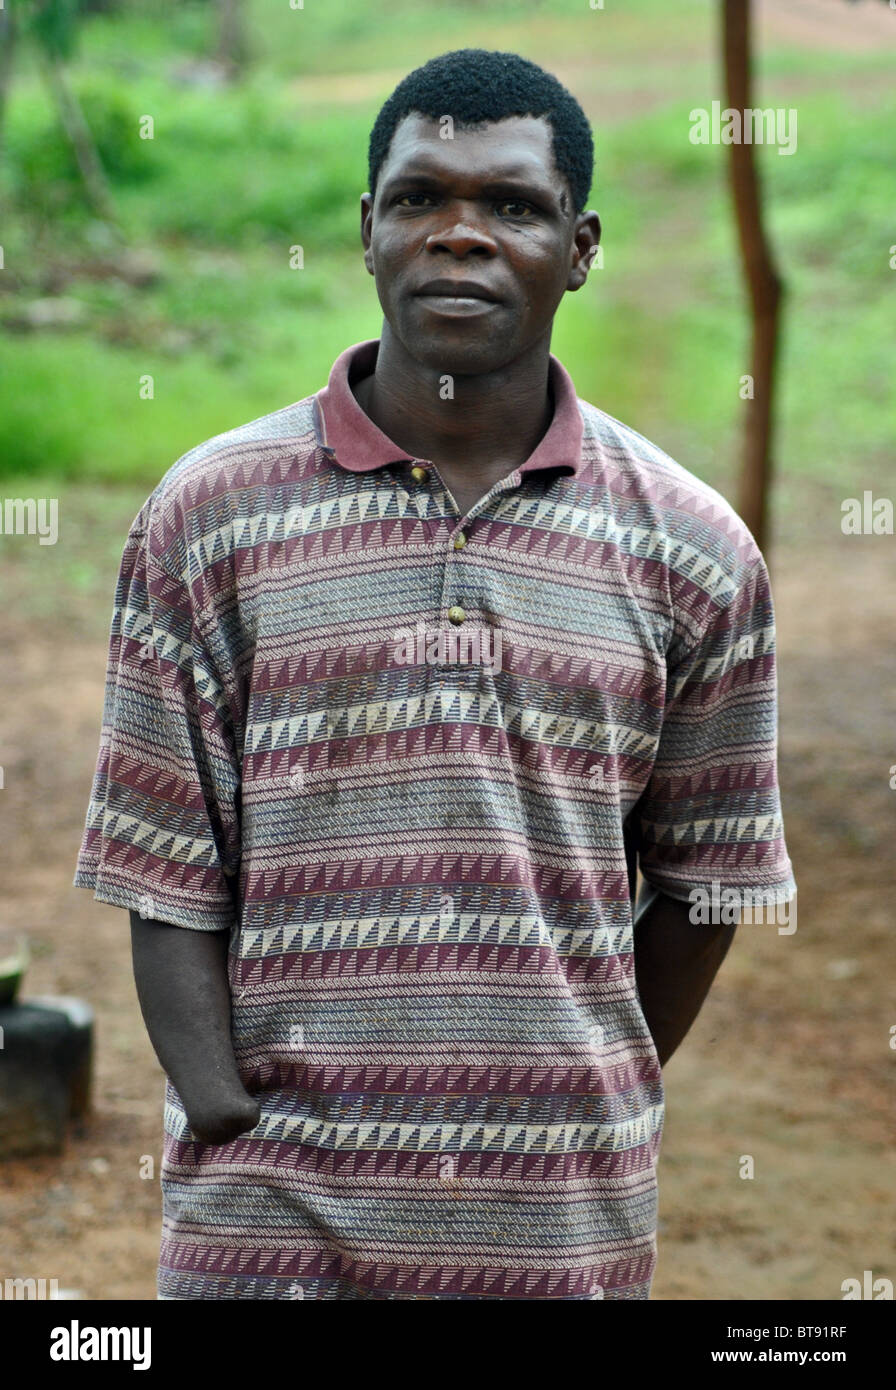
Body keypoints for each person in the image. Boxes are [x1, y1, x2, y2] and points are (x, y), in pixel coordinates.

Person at [74, 48, 796, 1300]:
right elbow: (163, 865)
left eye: (510, 206)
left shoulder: (692, 551)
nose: (458, 236)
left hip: (560, 1235)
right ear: (366, 233)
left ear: (578, 247)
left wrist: (584, 1082)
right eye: (419, 199)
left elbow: (707, 879)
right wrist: (225, 1108)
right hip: (268, 1231)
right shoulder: (208, 518)